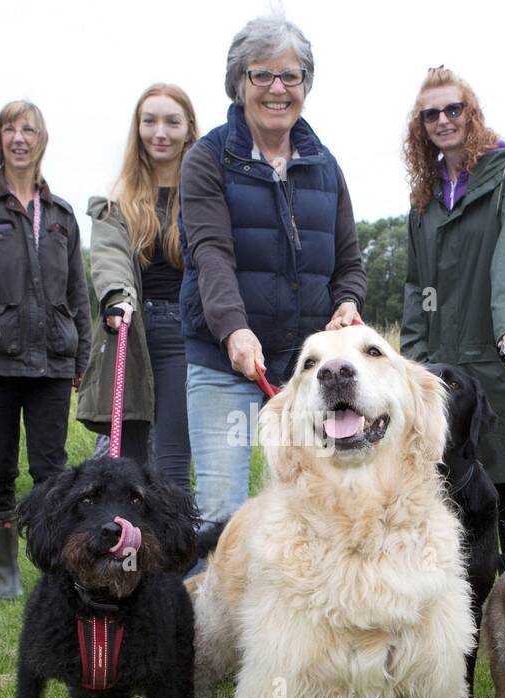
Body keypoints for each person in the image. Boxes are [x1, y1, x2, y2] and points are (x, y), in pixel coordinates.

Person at [179, 13, 367, 542]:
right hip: (224, 360)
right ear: (239, 84)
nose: (277, 89)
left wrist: (349, 301)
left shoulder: (325, 165)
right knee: (225, 517)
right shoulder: (208, 159)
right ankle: (221, 626)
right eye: (262, 75)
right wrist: (234, 329)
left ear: (306, 84)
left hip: (307, 373)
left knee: (314, 508)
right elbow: (211, 254)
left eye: (291, 76)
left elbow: (349, 261)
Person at [0, 101, 92, 599]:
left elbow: (78, 294)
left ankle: (53, 566)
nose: (19, 137)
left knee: (51, 470)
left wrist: (81, 357)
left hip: (51, 364)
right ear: (0, 139)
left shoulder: (62, 215)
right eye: (10, 128)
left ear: (42, 139)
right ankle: (7, 574)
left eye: (28, 128)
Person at [399, 66, 505, 567]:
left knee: (503, 472)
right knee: (443, 474)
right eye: (431, 113)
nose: (443, 120)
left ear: (471, 113)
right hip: (442, 359)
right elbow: (419, 286)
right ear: (421, 124)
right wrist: (412, 356)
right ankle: (450, 588)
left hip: (496, 343)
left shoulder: (504, 172)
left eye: (453, 109)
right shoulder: (424, 196)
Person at [77, 83, 198, 494]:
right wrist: (117, 297)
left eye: (171, 121)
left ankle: (176, 558)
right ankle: (127, 553)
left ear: (189, 129)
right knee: (126, 466)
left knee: (171, 464)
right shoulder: (117, 203)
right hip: (132, 333)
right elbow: (109, 256)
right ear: (138, 128)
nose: (159, 132)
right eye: (149, 121)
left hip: (187, 338)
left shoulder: (207, 195)